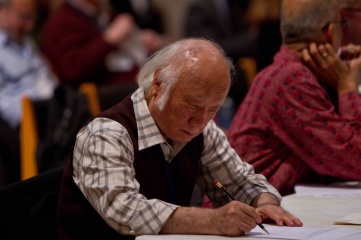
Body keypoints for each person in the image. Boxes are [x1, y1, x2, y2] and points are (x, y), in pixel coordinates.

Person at [57, 38, 302, 239]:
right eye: (193, 105)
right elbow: (124, 210)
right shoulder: (106, 134)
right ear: (159, 83)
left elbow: (239, 182)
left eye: (213, 110)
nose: (201, 121)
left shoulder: (201, 130)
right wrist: (213, 221)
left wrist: (265, 203)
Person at [228, 0, 361, 196]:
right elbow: (355, 159)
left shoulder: (291, 72)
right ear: (331, 32)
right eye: (343, 25)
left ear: (283, 31)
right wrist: (347, 86)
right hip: (238, 215)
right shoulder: (292, 79)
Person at [40, 0, 167, 89]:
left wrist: (141, 41)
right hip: (103, 98)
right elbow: (72, 70)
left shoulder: (102, 12)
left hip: (133, 81)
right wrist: (109, 39)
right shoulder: (60, 22)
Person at [0, 0, 57, 185]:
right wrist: (32, 111)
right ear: (2, 12)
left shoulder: (25, 42)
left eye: (33, 17)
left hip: (49, 109)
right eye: (24, 17)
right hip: (24, 119)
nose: (31, 24)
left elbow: (47, 77)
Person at [184, 0, 258, 109]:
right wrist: (252, 37)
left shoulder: (232, 5)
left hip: (236, 78)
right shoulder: (200, 8)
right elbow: (210, 48)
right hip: (212, 79)